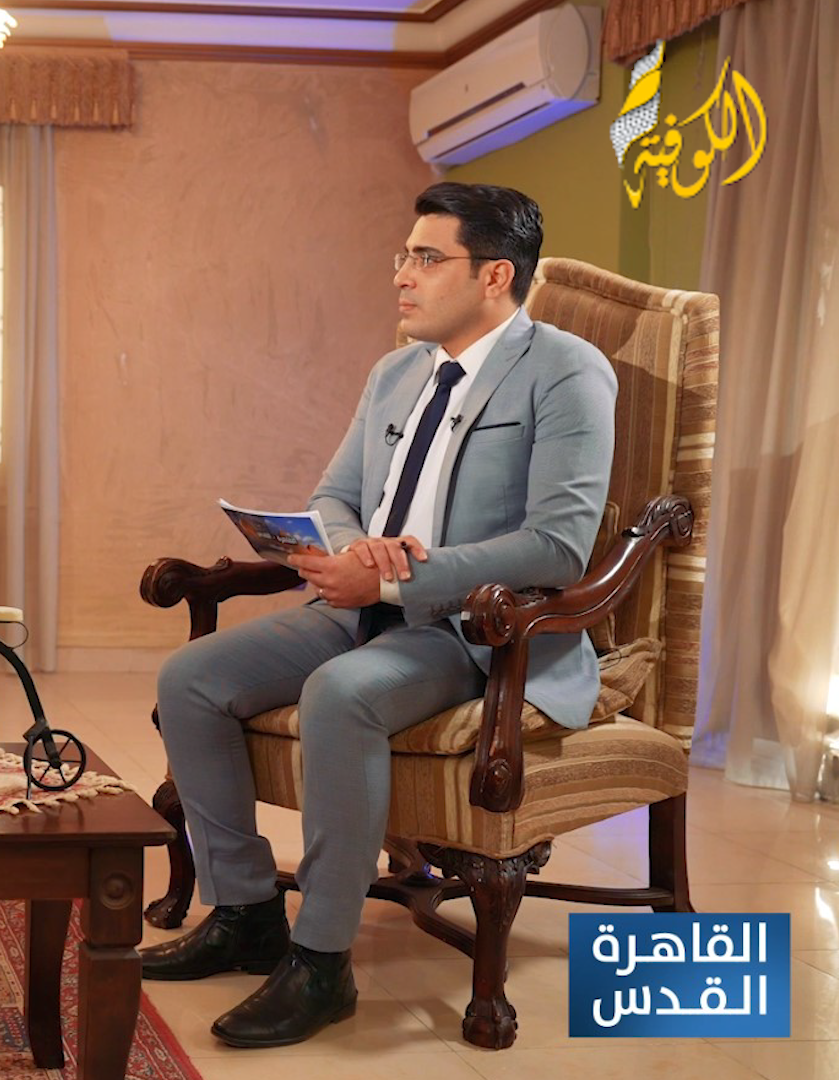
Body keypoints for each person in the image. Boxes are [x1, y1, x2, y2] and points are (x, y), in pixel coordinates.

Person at [146, 183, 615, 1048]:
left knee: (342, 693)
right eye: (404, 256)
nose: (401, 275)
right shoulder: (395, 372)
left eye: (426, 258)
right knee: (191, 679)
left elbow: (558, 547)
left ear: (494, 275)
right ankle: (246, 913)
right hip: (362, 607)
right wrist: (354, 550)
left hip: (478, 634)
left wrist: (398, 582)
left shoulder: (566, 371)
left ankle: (322, 961)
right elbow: (334, 496)